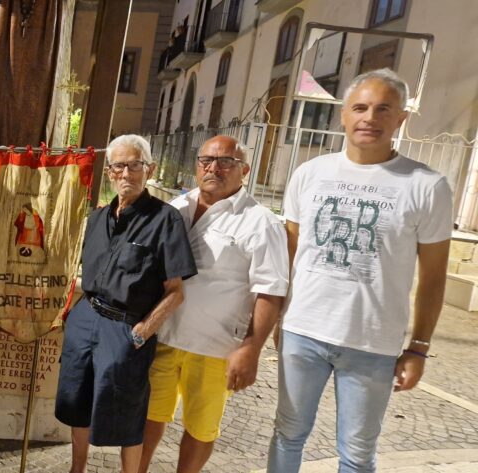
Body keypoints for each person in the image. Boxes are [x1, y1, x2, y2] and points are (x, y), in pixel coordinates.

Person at [267, 68, 452, 472]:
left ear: (401, 118)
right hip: (304, 332)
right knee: (288, 434)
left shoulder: (427, 185)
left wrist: (418, 348)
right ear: (344, 116)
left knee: (356, 454)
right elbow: (291, 251)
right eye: (360, 107)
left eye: (383, 108)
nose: (370, 117)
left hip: (373, 343)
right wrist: (279, 318)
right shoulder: (310, 174)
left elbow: (434, 277)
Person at [138, 136, 288, 473]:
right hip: (162, 336)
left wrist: (251, 349)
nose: (213, 168)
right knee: (148, 416)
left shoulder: (260, 222)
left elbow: (271, 291)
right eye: (206, 160)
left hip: (215, 346)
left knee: (200, 428)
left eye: (226, 162)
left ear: (244, 170)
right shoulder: (176, 208)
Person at [55, 134, 197, 473]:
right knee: (77, 399)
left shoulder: (165, 220)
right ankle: (78, 468)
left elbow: (175, 291)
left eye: (135, 165)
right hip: (86, 317)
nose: (126, 174)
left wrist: (143, 332)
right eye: (118, 166)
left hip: (126, 326)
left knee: (127, 409)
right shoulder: (97, 218)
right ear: (109, 173)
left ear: (150, 169)